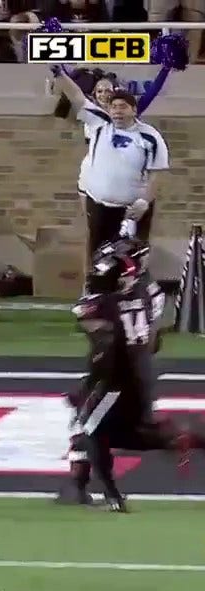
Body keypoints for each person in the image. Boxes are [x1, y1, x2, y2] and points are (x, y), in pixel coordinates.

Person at [59, 224, 205, 512]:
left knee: (93, 427)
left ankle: (93, 489)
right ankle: (84, 485)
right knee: (120, 428)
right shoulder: (148, 290)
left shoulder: (107, 300)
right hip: (139, 370)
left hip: (116, 373)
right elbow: (151, 338)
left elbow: (87, 318)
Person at [52, 71, 168, 262]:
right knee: (98, 254)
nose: (117, 111)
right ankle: (93, 289)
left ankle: (134, 291)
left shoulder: (150, 137)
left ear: (134, 110)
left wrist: (145, 201)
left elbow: (158, 173)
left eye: (123, 107)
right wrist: (59, 72)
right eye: (113, 107)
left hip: (132, 209)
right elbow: (77, 97)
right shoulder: (100, 122)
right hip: (99, 205)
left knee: (133, 256)